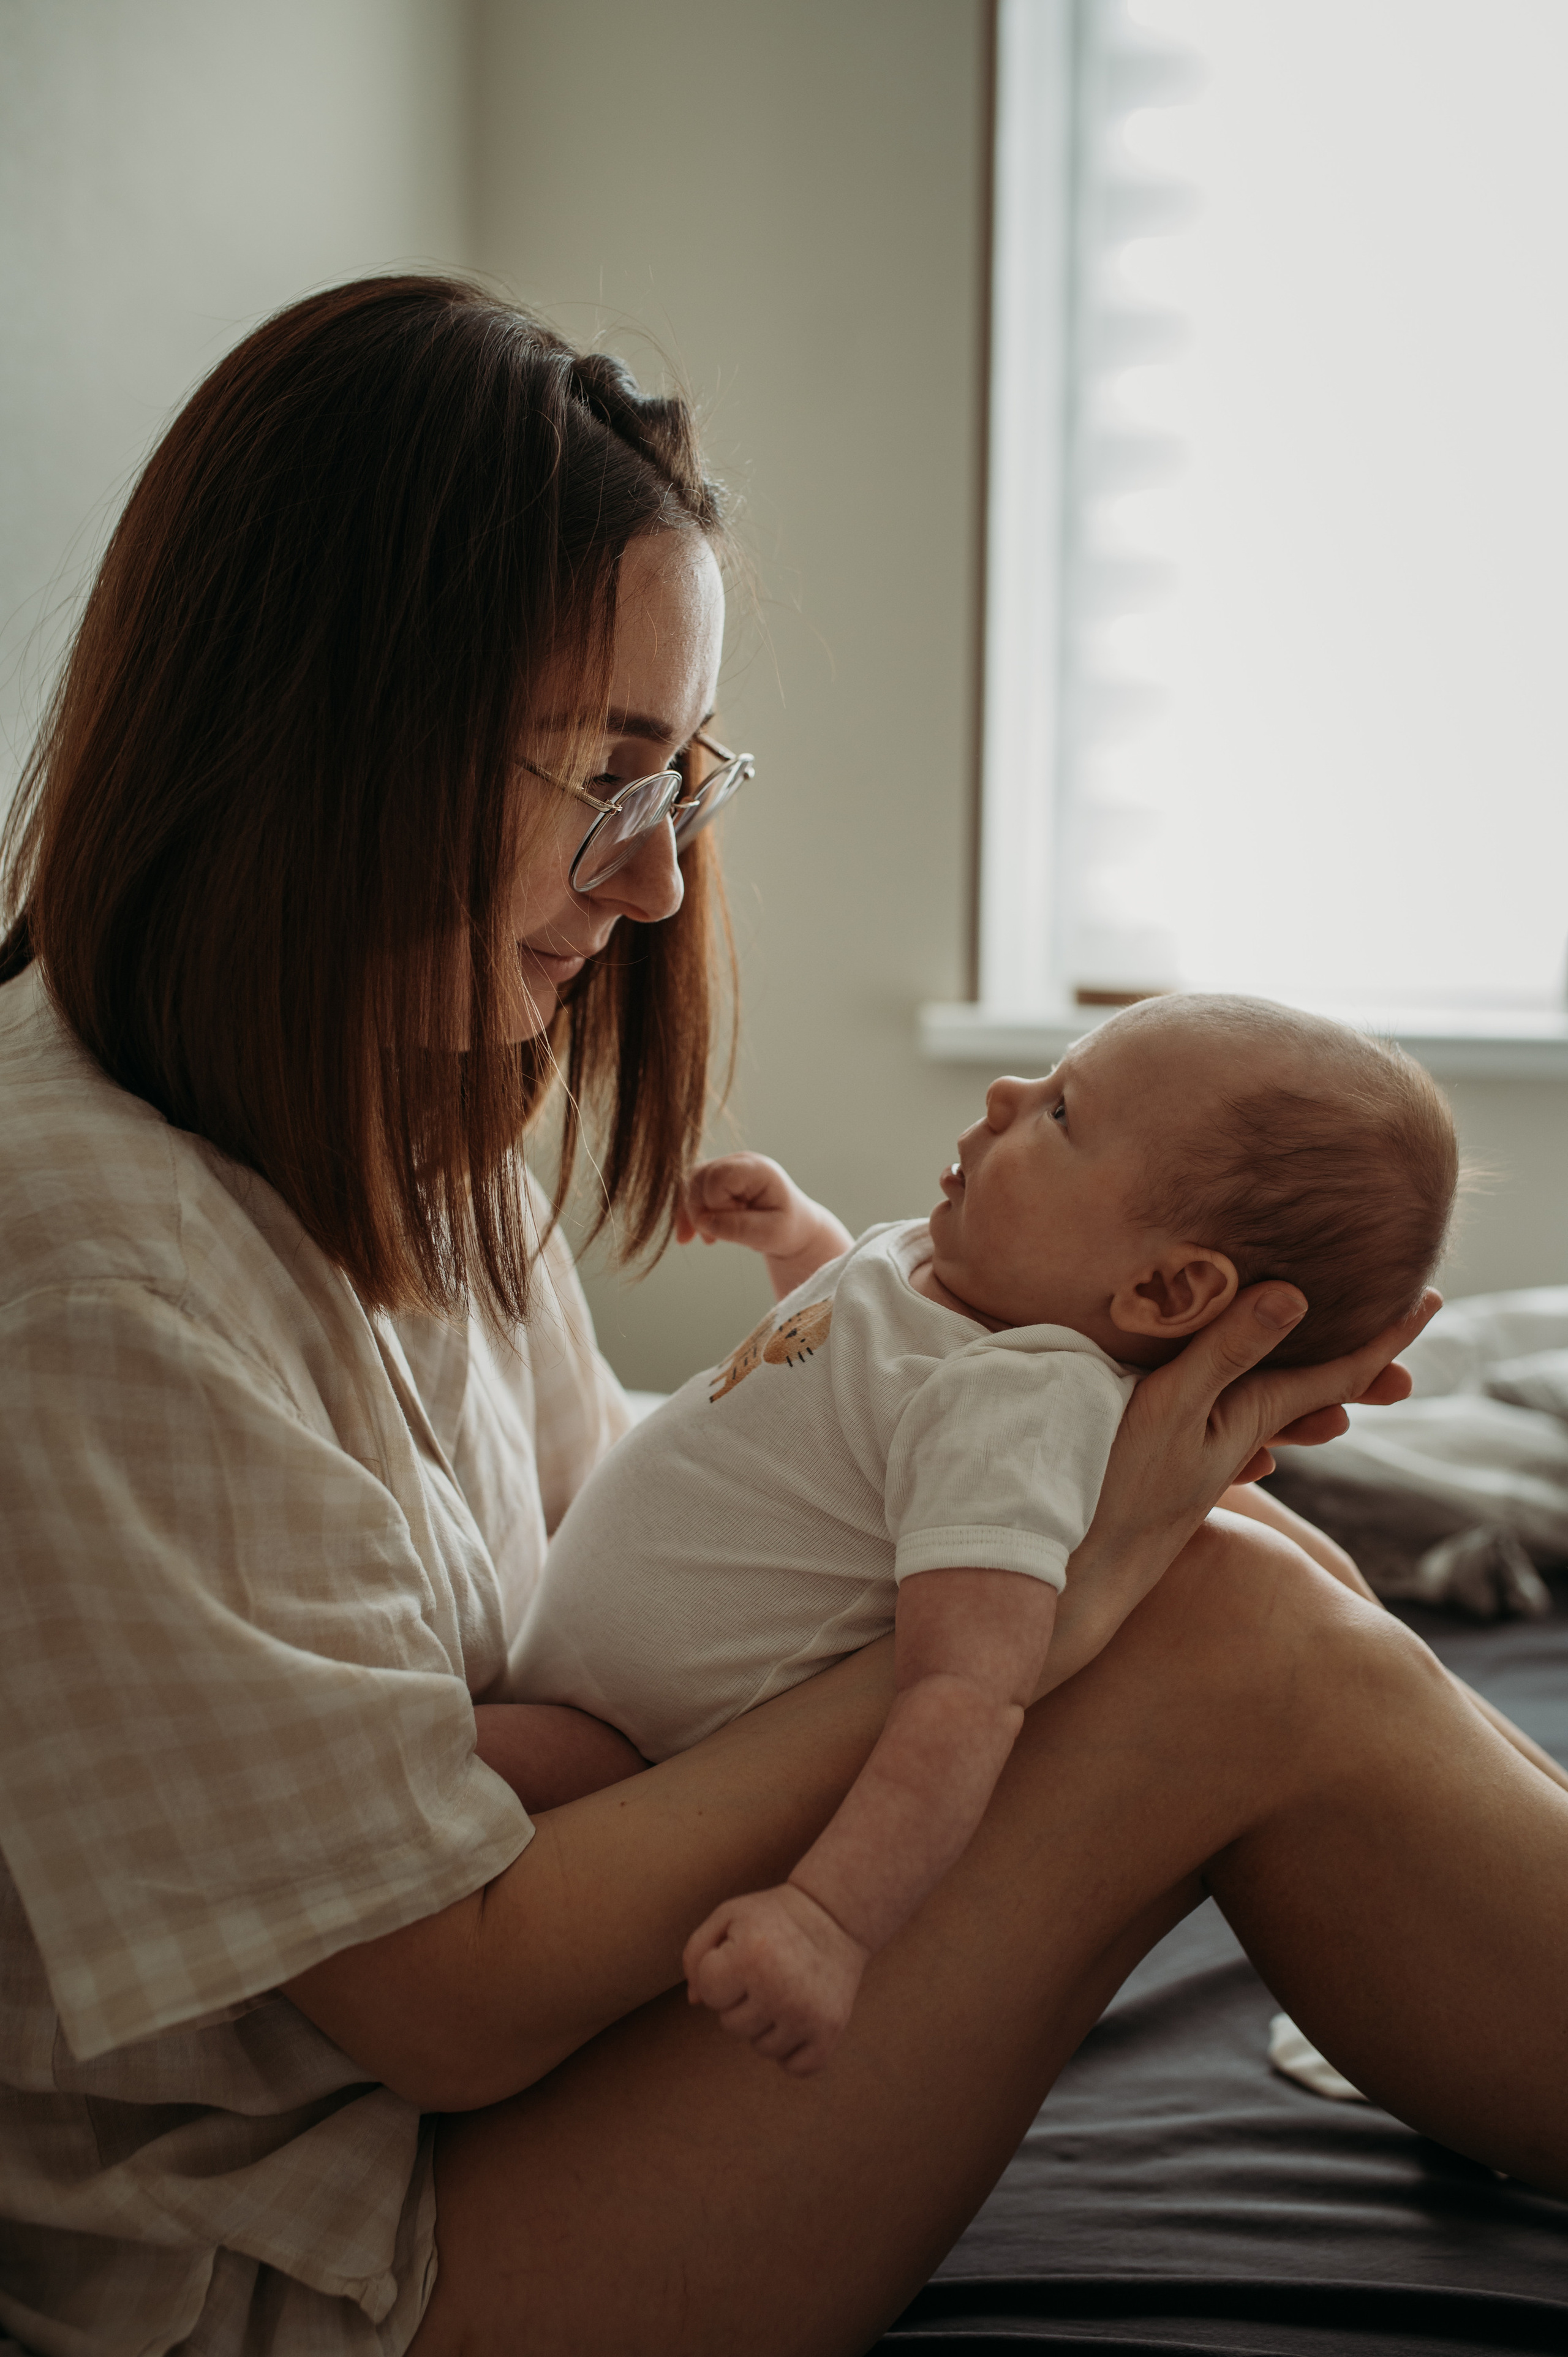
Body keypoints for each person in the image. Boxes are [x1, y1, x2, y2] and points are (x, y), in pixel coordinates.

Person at [0, 276, 1562, 2357]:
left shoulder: (386, 1108)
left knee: (1202, 1556)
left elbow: (611, 1541)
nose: (653, 884)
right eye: (606, 775)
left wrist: (1064, 1511)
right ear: (337, 725)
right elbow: (447, 2000)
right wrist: (1040, 1621)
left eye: (680, 782)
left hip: (475, 2115)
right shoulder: (90, 1271)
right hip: (344, 2265)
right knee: (1209, 1625)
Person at [508, 995, 1461, 2073]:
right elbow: (847, 1383)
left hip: (639, 1746)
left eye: (1062, 1114)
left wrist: (828, 1919)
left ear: (1165, 1288)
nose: (1008, 1094)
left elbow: (963, 1698)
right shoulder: (945, 1273)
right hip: (578, 1671)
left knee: (422, 1800)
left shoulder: (1017, 1410)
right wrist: (801, 1241)